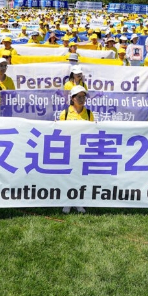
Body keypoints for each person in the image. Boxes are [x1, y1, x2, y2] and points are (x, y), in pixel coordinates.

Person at [58, 84, 92, 214]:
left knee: (80, 177)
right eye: (79, 97)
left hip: (83, 150)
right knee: (67, 176)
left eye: (84, 97)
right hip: (68, 150)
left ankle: (78, 202)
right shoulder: (65, 113)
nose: (82, 99)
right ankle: (67, 201)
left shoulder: (89, 113)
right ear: (72, 98)